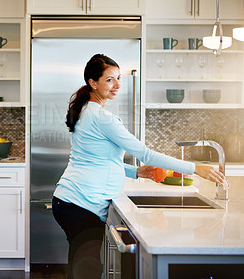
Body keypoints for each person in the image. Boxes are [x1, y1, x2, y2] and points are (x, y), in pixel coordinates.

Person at [51, 54, 225, 279]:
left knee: (80, 266)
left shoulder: (87, 111)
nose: (117, 85)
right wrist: (196, 168)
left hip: (69, 201)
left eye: (118, 78)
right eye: (110, 79)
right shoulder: (102, 118)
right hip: (82, 206)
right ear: (93, 83)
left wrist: (135, 171)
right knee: (88, 270)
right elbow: (145, 153)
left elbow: (97, 160)